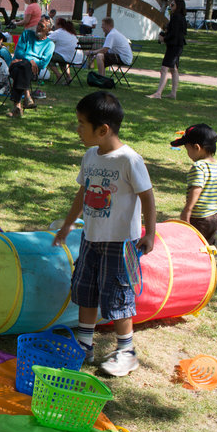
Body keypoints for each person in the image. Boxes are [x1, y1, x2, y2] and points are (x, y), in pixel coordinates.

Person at [52, 91, 156, 377]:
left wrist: (150, 234)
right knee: (86, 288)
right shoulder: (90, 156)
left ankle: (126, 351)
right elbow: (82, 193)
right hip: (92, 238)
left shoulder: (129, 160)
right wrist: (68, 225)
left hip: (120, 242)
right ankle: (85, 344)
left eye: (82, 123)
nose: (78, 129)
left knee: (118, 295)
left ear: (103, 129)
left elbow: (147, 197)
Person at [171, 124, 217, 245]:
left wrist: (187, 210)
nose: (188, 153)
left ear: (197, 147)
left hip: (199, 218)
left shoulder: (199, 167)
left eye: (187, 149)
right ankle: (208, 263)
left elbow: (196, 189)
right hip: (214, 217)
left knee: (194, 245)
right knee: (207, 245)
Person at [6, 18, 54, 117]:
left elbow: (43, 64)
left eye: (42, 26)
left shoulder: (49, 44)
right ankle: (27, 96)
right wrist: (31, 61)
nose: (38, 28)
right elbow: (19, 52)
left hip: (31, 71)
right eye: (38, 25)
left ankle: (17, 107)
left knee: (21, 68)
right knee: (24, 66)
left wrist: (28, 61)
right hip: (18, 65)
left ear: (48, 30)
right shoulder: (27, 34)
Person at [149, 0, 188, 99]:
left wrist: (164, 39)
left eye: (172, 5)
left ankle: (158, 93)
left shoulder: (176, 17)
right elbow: (179, 32)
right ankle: (173, 93)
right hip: (177, 46)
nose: (171, 6)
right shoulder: (181, 18)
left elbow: (174, 34)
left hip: (174, 46)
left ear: (178, 6)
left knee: (164, 68)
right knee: (173, 69)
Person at [47, 17, 80, 82]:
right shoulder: (70, 32)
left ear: (59, 25)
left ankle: (58, 75)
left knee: (48, 57)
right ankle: (68, 77)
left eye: (55, 24)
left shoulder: (58, 32)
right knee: (61, 60)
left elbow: (45, 40)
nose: (54, 26)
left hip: (67, 57)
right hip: (76, 57)